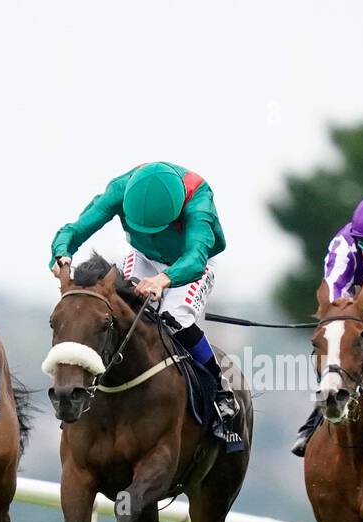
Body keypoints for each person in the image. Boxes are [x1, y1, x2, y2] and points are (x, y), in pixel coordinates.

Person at [49, 161, 235, 421]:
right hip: (143, 256)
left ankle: (219, 387)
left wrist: (163, 279)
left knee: (175, 316)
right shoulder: (119, 190)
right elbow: (76, 229)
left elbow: (195, 257)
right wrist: (62, 253)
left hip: (189, 264)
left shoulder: (199, 201)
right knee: (119, 311)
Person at [291, 194, 363, 456]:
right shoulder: (344, 246)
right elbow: (335, 296)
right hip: (355, 308)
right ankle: (319, 414)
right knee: (338, 339)